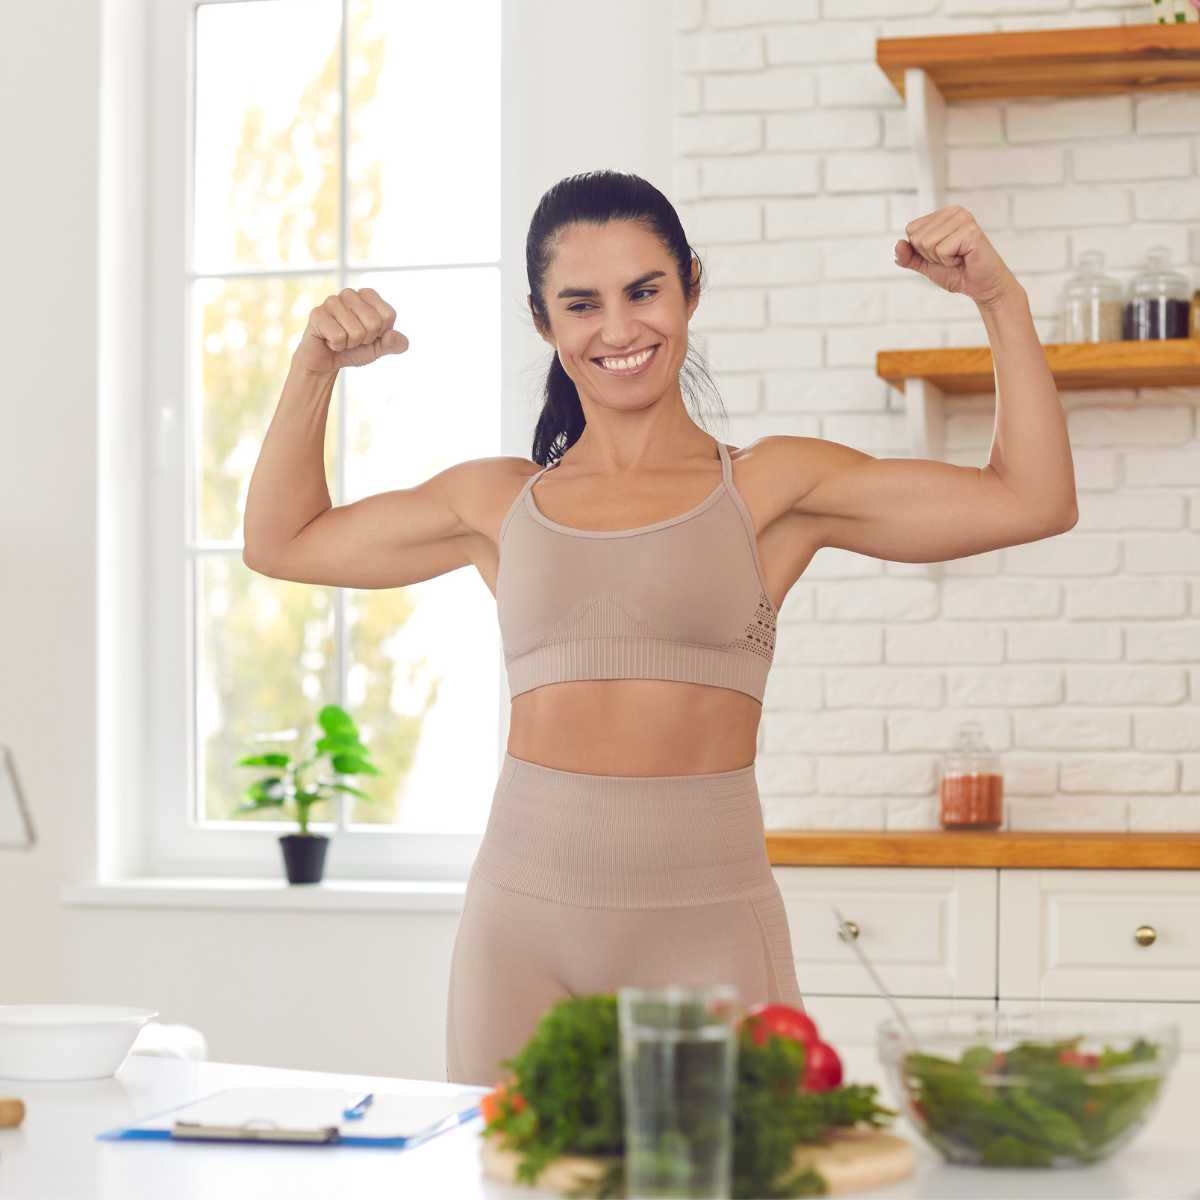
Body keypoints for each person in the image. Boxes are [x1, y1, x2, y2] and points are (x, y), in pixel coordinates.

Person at [243, 170, 1078, 1088]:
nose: (619, 330)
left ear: (689, 286)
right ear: (543, 322)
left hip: (710, 927)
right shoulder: (497, 502)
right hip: (522, 932)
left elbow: (1031, 499)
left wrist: (1000, 299)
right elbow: (283, 542)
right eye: (581, 304)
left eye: (644, 291)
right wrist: (313, 366)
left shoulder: (771, 488)